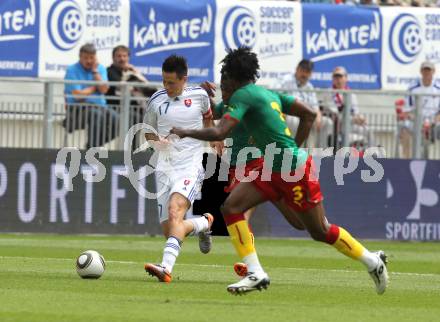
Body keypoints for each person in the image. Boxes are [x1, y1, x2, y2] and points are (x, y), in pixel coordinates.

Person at [171, 47, 388, 295]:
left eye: (224, 77)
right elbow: (308, 114)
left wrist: (185, 131)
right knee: (232, 207)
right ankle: (255, 272)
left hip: (289, 168)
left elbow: (220, 132)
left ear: (231, 77)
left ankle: (372, 261)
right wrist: (200, 97)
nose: (223, 84)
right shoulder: (266, 94)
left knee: (318, 230)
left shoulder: (244, 95)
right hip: (271, 166)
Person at [143, 55, 220, 283]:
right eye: (164, 81)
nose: (166, 87)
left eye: (171, 82)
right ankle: (204, 223)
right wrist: (157, 141)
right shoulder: (156, 100)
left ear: (184, 79)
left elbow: (208, 121)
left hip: (190, 164)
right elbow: (147, 132)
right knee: (171, 230)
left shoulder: (199, 96)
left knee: (175, 210)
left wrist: (216, 138)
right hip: (164, 166)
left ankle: (165, 268)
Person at [64, 43, 118, 148]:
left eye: (91, 58)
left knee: (117, 120)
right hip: (78, 109)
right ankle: (92, 151)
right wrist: (95, 87)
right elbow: (78, 96)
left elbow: (103, 90)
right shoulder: (71, 70)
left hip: (101, 107)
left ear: (95, 57)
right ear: (80, 57)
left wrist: (95, 72)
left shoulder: (100, 69)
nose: (89, 61)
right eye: (85, 58)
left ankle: (91, 146)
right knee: (96, 114)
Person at [107, 45, 157, 149]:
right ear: (113, 58)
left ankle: (152, 151)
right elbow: (120, 85)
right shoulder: (109, 71)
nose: (122, 59)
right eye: (119, 56)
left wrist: (136, 73)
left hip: (136, 109)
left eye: (124, 56)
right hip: (116, 108)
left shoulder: (133, 72)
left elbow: (150, 88)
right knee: (134, 117)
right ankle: (130, 152)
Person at [278, 59, 333, 148]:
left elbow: (315, 106)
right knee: (295, 121)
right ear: (297, 69)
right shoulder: (285, 80)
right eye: (303, 70)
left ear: (311, 74)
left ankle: (318, 152)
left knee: (327, 122)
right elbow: (274, 95)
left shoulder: (309, 87)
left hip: (307, 116)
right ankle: (293, 150)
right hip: (290, 114)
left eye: (308, 72)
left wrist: (318, 117)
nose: (304, 74)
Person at [322, 66, 373, 149]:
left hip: (351, 124)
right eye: (336, 77)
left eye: (340, 77)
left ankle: (372, 155)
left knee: (368, 129)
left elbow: (356, 111)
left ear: (346, 78)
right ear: (332, 79)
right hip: (337, 126)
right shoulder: (329, 93)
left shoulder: (351, 94)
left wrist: (360, 118)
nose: (338, 79)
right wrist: (353, 119)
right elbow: (335, 114)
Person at [398, 61, 440, 158]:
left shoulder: (438, 88)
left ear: (433, 72)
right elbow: (407, 111)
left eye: (429, 70)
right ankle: (406, 162)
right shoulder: (412, 88)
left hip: (434, 122)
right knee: (404, 129)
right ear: (421, 72)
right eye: (424, 70)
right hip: (416, 121)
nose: (426, 73)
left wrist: (433, 122)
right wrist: (419, 121)